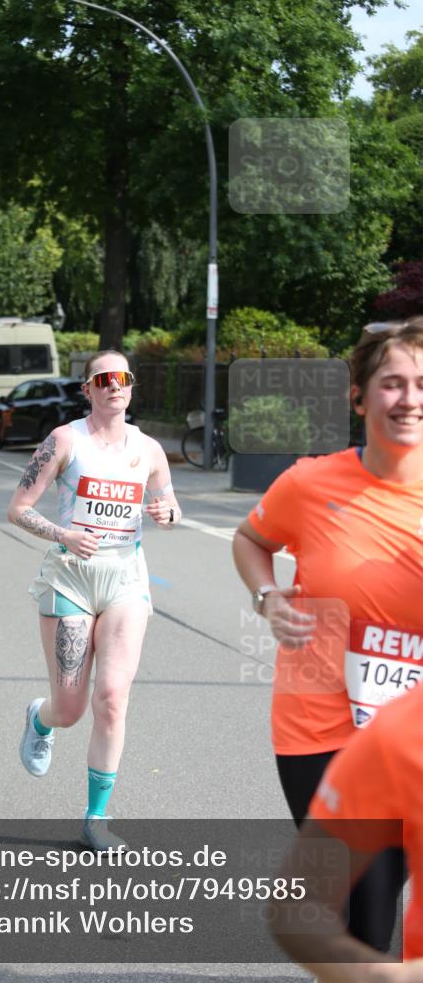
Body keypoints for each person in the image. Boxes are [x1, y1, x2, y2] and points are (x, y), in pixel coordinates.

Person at [232, 316, 423, 950]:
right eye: (393, 383)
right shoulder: (311, 484)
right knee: (362, 904)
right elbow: (251, 539)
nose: (410, 398)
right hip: (318, 726)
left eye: (421, 383)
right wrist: (267, 597)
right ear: (360, 396)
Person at [7, 349, 182, 852]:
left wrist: (168, 514)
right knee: (71, 707)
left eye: (122, 377)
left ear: (131, 386)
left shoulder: (148, 449)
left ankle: (96, 818)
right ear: (88, 388)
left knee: (111, 700)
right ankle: (40, 718)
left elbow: (169, 503)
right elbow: (18, 509)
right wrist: (63, 534)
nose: (113, 386)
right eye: (103, 378)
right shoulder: (65, 440)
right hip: (70, 578)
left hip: (126, 579)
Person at [272, 682, 423, 980]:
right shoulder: (403, 733)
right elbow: (298, 904)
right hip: (320, 720)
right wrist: (384, 976)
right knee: (364, 921)